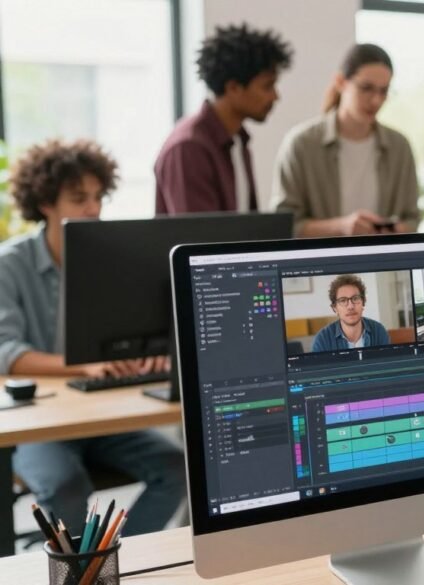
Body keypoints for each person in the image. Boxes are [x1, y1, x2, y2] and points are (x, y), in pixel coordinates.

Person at [0, 139, 185, 536]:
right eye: (78, 198)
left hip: (100, 415)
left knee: (177, 468)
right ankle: (88, 571)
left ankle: (105, 562)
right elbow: (5, 353)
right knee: (67, 489)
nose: (93, 208)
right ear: (46, 202)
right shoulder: (9, 265)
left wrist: (147, 352)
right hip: (39, 423)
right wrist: (81, 363)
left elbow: (129, 337)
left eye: (98, 197)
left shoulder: (107, 262)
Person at [272, 43, 419, 236]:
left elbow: (412, 220)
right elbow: (284, 227)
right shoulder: (301, 144)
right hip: (321, 265)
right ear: (341, 82)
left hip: (385, 265)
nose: (376, 100)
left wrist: (392, 230)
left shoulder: (399, 147)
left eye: (383, 91)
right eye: (366, 88)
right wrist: (342, 227)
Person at [155, 24, 292, 213]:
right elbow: (198, 236)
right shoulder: (189, 147)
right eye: (267, 87)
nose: (275, 96)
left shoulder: (238, 139)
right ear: (234, 87)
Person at [311, 275, 391, 351]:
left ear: (363, 303)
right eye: (343, 300)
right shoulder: (322, 339)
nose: (350, 306)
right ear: (335, 308)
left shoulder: (379, 331)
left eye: (355, 298)